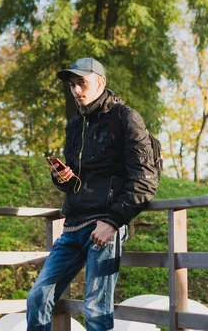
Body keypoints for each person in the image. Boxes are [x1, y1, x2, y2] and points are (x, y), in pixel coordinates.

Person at [26, 58, 159, 331]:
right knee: (38, 296)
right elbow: (76, 180)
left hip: (103, 227)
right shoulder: (75, 125)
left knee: (96, 311)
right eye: (72, 85)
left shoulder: (126, 118)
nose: (76, 90)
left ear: (101, 82)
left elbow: (146, 179)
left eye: (81, 83)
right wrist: (62, 177)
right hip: (72, 226)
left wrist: (112, 222)